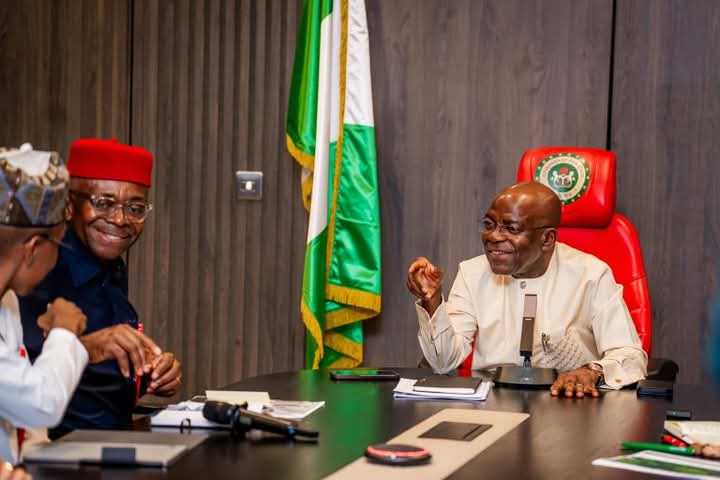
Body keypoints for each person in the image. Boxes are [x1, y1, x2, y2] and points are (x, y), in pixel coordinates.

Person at [407, 181, 647, 398]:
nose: (493, 236)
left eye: (511, 229)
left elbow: (631, 356)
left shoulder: (591, 275)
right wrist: (432, 302)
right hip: (492, 401)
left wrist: (591, 371)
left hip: (569, 402)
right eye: (489, 225)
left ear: (547, 239)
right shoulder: (472, 273)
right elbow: (443, 363)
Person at [19, 138, 182, 438]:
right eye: (103, 203)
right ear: (69, 206)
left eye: (135, 208)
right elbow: (21, 380)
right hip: (54, 449)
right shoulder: (39, 269)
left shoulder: (111, 266)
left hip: (112, 442)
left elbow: (98, 383)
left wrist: (150, 374)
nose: (120, 219)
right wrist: (89, 345)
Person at [0, 144, 88, 472]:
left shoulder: (7, 302)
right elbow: (40, 405)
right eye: (59, 244)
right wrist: (64, 330)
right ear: (33, 248)